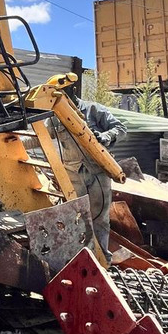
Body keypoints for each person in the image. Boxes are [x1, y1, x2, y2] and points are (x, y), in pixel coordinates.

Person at [53, 89, 126, 263]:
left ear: (72, 91)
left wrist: (106, 136)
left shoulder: (93, 110)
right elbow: (40, 136)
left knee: (99, 218)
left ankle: (102, 260)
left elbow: (121, 129)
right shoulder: (55, 115)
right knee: (73, 217)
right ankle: (77, 258)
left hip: (97, 173)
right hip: (73, 174)